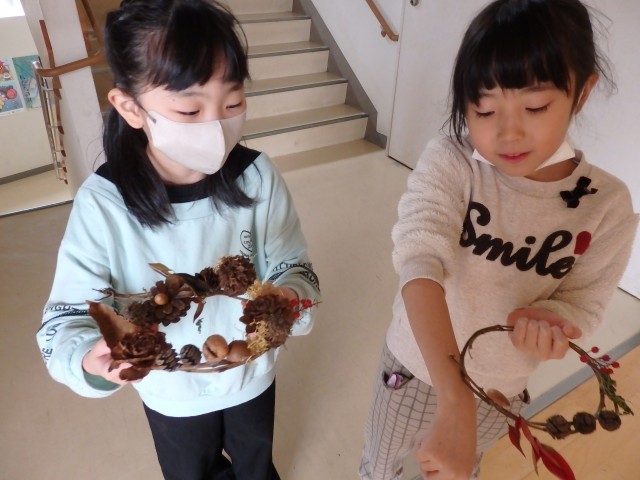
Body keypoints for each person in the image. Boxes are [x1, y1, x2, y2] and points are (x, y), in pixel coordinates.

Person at [36, 1, 320, 479]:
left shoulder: (257, 177)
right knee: (189, 468)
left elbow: (292, 262)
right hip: (171, 388)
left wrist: (290, 297)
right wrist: (89, 358)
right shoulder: (104, 204)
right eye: (190, 109)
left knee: (256, 459)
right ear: (130, 107)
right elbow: (65, 317)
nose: (216, 125)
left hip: (252, 371)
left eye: (233, 103)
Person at [359, 0, 638, 479]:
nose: (508, 133)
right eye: (484, 110)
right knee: (380, 465)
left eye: (535, 106)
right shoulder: (454, 161)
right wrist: (455, 399)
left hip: (500, 389)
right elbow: (419, 258)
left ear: (583, 91)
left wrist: (555, 324)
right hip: (413, 367)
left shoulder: (606, 205)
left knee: (460, 469)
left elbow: (584, 304)